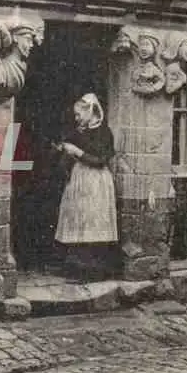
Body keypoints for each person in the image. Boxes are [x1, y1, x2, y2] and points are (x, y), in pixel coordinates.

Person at [52, 93, 119, 282]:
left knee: (92, 221)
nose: (76, 118)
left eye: (79, 114)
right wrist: (62, 150)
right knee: (78, 219)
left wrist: (78, 151)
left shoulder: (104, 132)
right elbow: (69, 151)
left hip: (96, 181)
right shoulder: (78, 132)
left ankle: (93, 271)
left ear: (90, 111)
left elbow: (101, 160)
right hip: (79, 179)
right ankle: (76, 267)